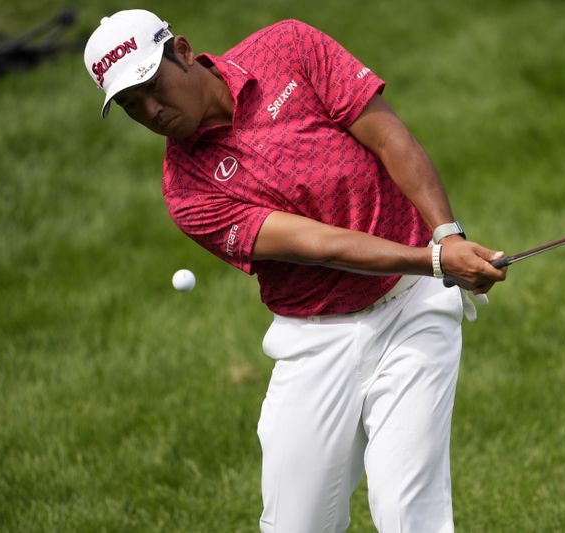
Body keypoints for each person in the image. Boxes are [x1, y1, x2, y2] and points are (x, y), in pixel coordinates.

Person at [84, 9, 507, 532]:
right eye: (130, 105)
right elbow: (318, 245)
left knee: (407, 512)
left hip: (412, 306)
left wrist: (446, 235)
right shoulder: (188, 193)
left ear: (184, 52)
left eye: (152, 84)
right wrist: (436, 260)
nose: (150, 110)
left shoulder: (288, 47)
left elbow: (387, 135)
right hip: (316, 340)